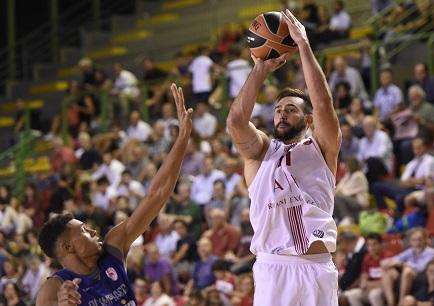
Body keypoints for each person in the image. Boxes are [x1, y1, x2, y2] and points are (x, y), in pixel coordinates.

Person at [35, 83, 193, 306]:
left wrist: (182, 141)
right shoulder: (53, 290)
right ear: (67, 247)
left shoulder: (113, 248)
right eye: (84, 231)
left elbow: (156, 195)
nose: (93, 230)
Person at [227, 9, 340, 305]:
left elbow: (324, 104)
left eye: (291, 109)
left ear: (308, 120)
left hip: (315, 267)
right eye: (278, 109)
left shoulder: (323, 148)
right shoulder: (260, 153)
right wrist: (260, 70)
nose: (282, 113)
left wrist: (303, 45)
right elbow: (236, 122)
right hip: (272, 268)